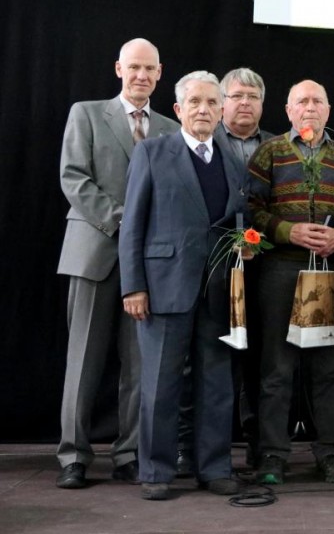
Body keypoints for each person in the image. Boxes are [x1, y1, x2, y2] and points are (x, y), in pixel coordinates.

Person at [55, 38, 180, 490]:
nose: (141, 76)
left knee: (139, 364)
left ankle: (129, 454)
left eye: (149, 68)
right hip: (95, 251)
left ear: (160, 73)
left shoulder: (169, 128)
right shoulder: (86, 113)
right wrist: (121, 219)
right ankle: (73, 456)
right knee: (83, 360)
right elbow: (73, 177)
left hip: (147, 265)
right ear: (118, 69)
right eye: (134, 68)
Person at [119, 71, 248, 500]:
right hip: (162, 288)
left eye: (213, 103)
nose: (204, 110)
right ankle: (155, 472)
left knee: (217, 385)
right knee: (159, 385)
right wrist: (133, 286)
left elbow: (234, 223)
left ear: (222, 110)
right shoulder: (153, 153)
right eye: (195, 102)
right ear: (178, 110)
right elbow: (132, 225)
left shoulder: (231, 160)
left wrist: (245, 248)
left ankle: (214, 468)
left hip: (216, 290)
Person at [246, 80, 334, 485]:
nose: (310, 107)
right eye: (302, 101)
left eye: (317, 101)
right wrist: (285, 231)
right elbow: (251, 209)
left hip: (329, 271)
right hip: (280, 269)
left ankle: (329, 454)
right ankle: (273, 456)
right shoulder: (270, 152)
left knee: (330, 368)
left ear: (329, 110)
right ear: (288, 109)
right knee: (276, 368)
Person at [177, 67, 274, 477]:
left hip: (262, 273)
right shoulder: (201, 142)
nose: (245, 103)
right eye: (236, 96)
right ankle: (185, 445)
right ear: (222, 103)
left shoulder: (276, 146)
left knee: (257, 363)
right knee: (193, 365)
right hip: (205, 277)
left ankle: (254, 444)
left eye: (253, 96)